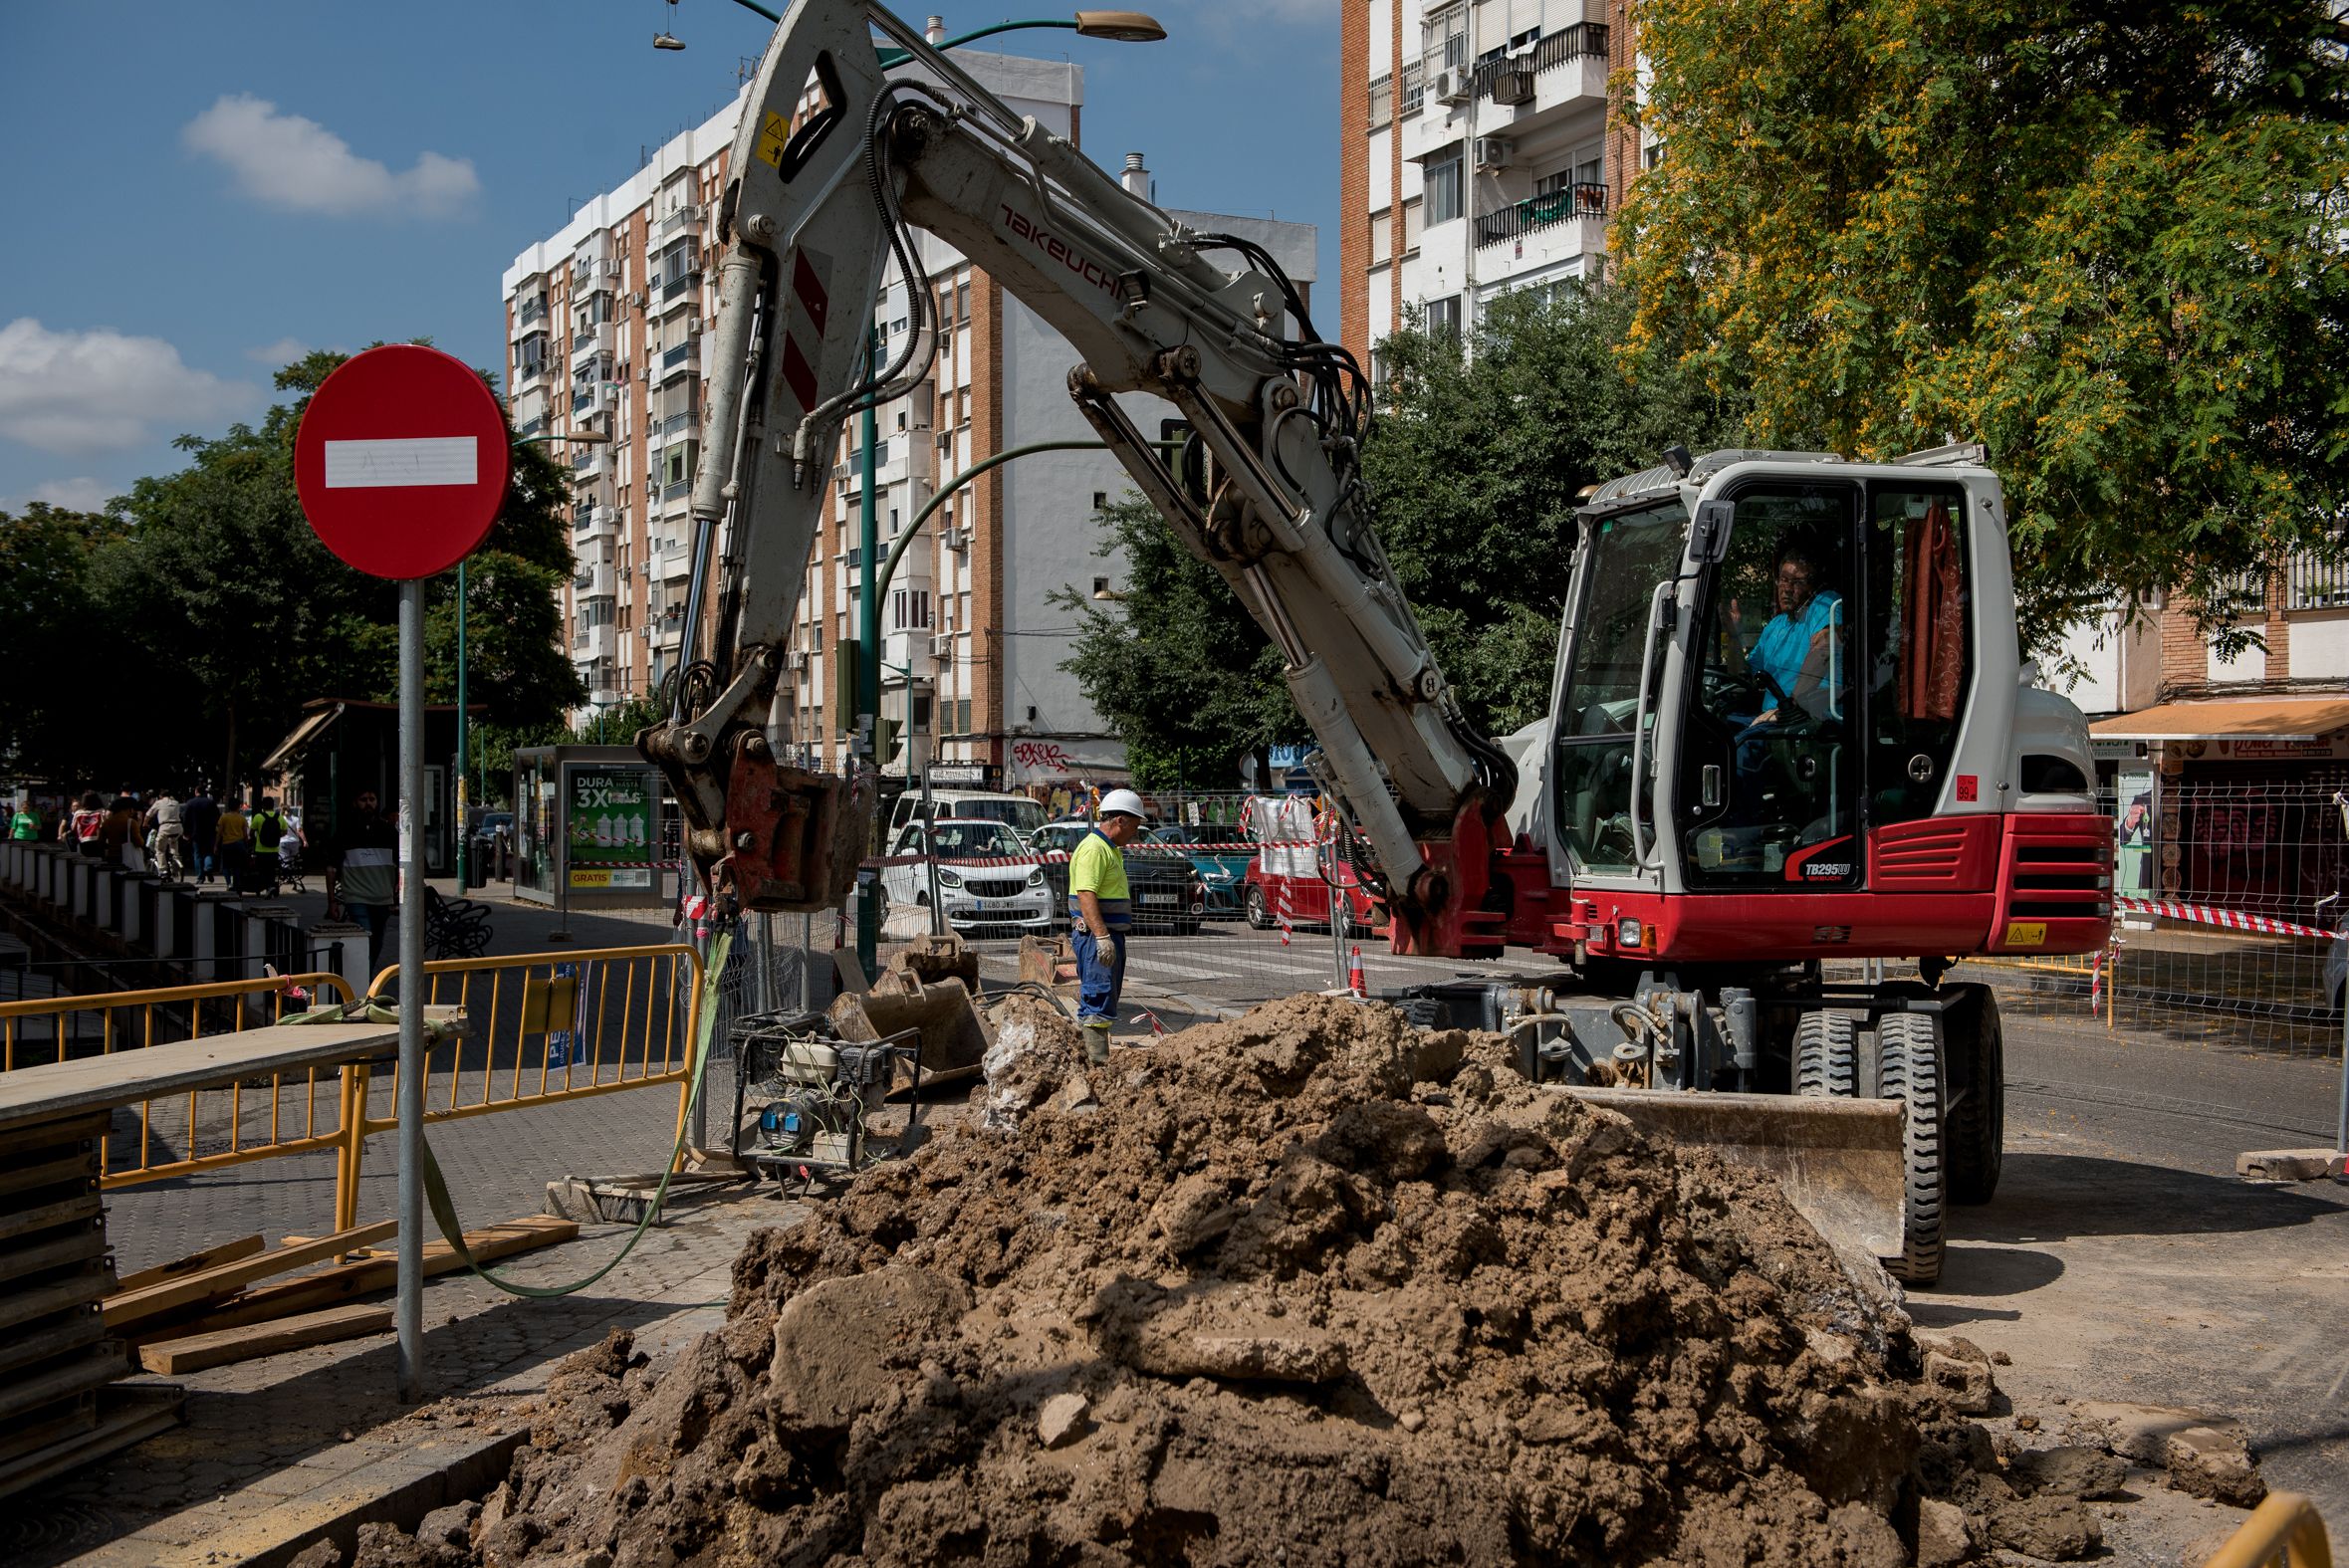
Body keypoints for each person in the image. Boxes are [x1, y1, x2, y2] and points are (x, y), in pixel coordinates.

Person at [1067, 787, 1148, 1068]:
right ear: (1120, 821)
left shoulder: (1109, 849)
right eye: (1134, 827)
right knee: (1098, 996)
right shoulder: (1094, 849)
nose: (1134, 834)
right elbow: (1086, 894)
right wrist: (1102, 936)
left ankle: (1095, 1060)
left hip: (1106, 935)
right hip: (1095, 937)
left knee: (1105, 996)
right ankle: (1096, 1065)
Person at [325, 786, 400, 971]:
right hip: (356, 897)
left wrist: (399, 890)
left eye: (372, 799)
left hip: (382, 898)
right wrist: (332, 901)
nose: (368, 803)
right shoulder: (345, 831)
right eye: (363, 799)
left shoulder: (388, 832)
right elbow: (331, 869)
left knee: (376, 941)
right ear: (355, 803)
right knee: (365, 936)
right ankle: (365, 984)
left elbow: (402, 864)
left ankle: (367, 976)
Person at [145, 788, 187, 881]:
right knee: (173, 842)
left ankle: (163, 870)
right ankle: (176, 860)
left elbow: (148, 815)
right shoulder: (176, 803)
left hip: (165, 828)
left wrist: (145, 824)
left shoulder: (159, 803)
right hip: (178, 828)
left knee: (159, 849)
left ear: (160, 796)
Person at [182, 786, 220, 883]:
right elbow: (217, 817)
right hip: (209, 832)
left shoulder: (190, 803)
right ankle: (208, 867)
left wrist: (186, 832)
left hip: (196, 833)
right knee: (208, 852)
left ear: (196, 792)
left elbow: (186, 819)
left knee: (197, 854)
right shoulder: (211, 803)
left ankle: (200, 877)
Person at [250, 795, 289, 890]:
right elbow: (285, 831)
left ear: (263, 805)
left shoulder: (258, 817)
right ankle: (270, 886)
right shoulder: (279, 817)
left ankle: (265, 887)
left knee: (262, 870)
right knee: (272, 870)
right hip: (274, 849)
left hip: (260, 849)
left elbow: (251, 832)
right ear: (273, 805)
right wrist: (276, 836)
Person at [217, 793, 252, 889]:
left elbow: (219, 833)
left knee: (226, 866)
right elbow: (245, 834)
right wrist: (246, 844)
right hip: (239, 844)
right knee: (237, 866)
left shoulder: (224, 817)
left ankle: (228, 883)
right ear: (238, 806)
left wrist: (216, 845)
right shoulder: (242, 818)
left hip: (227, 844)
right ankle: (237, 883)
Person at [63, 791, 105, 857]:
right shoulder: (101, 812)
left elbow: (73, 828)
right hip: (97, 840)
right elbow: (103, 825)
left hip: (83, 840)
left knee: (85, 861)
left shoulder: (78, 813)